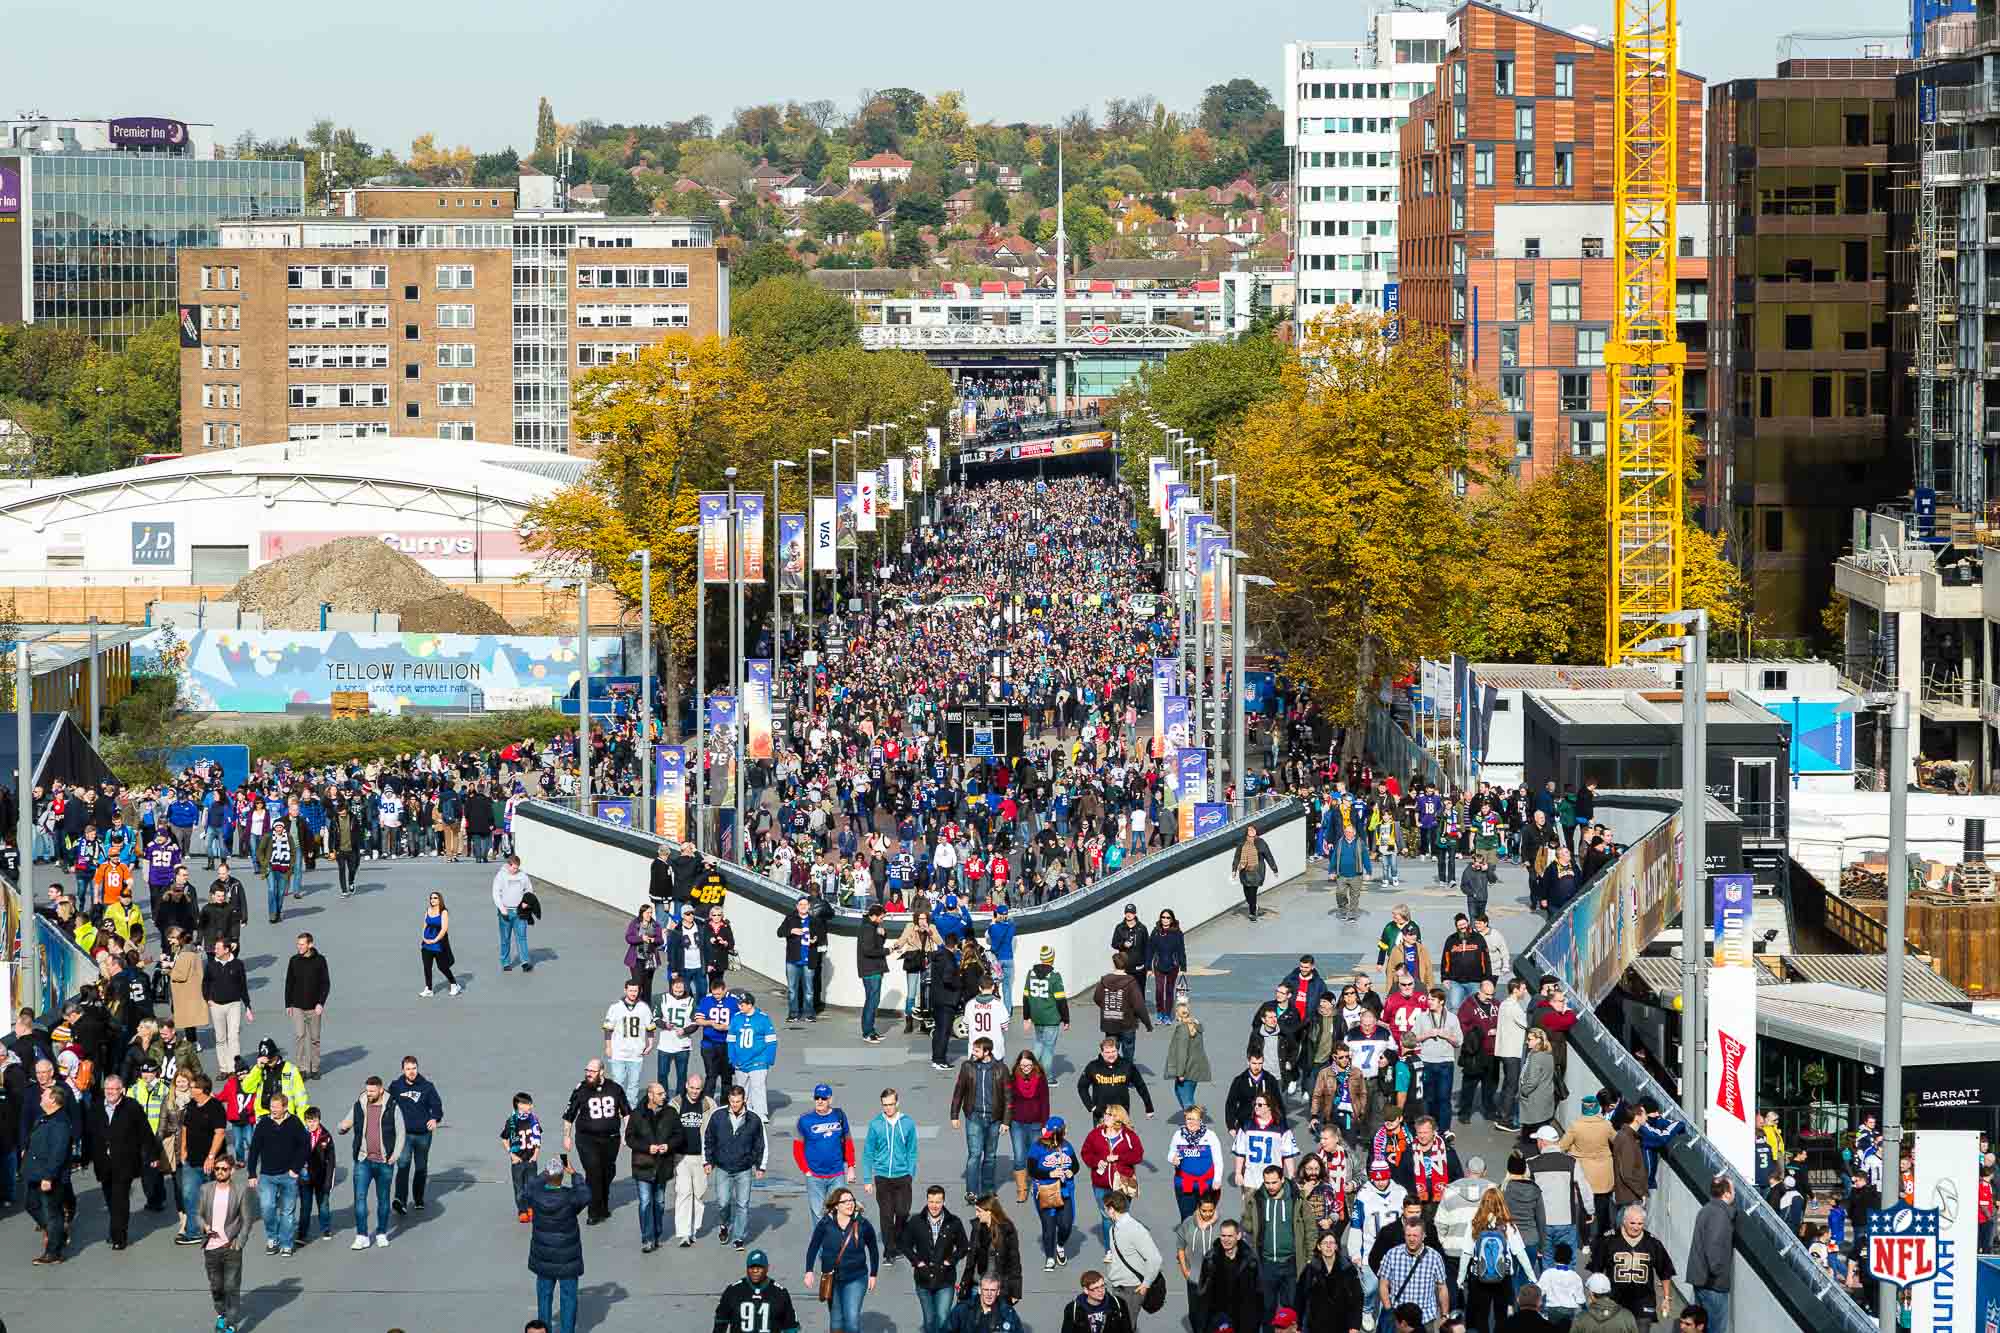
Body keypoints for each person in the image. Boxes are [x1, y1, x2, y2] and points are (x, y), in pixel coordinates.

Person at [91, 1071, 165, 1251]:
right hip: (103, 1163)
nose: (110, 1092)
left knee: (120, 1198)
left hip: (124, 1162)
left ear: (122, 1090)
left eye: (114, 1089)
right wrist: (86, 1156)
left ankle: (119, 1236)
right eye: (107, 1089)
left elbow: (145, 1133)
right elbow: (90, 1133)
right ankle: (115, 1227)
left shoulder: (132, 1107)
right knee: (110, 1198)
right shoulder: (96, 1107)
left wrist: (154, 1155)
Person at [520, 1156, 592, 1333]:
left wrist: (544, 1174)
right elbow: (585, 1194)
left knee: (544, 1297)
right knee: (569, 1298)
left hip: (543, 1256)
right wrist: (574, 1174)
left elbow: (525, 1190)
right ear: (561, 1177)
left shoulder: (536, 1196)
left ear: (547, 1175)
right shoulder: (570, 1197)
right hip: (568, 1257)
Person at [1458, 1187, 1539, 1333]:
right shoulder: (1507, 1226)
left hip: (1479, 1277)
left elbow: (1466, 1254)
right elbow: (1520, 1253)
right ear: (1502, 1203)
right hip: (1503, 1277)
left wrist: (1460, 1279)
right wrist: (1532, 1277)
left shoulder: (1475, 1224)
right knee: (1502, 1317)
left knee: (1481, 1316)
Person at [804, 1185, 881, 1333]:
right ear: (836, 1206)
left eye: (851, 1200)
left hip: (856, 1277)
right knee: (836, 1322)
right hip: (832, 1278)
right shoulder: (825, 1224)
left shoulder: (862, 1224)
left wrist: (873, 1274)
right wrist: (809, 1271)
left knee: (851, 1320)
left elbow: (873, 1249)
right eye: (845, 1201)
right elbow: (813, 1246)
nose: (849, 1204)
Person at [562, 1058, 631, 1225]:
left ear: (601, 1072)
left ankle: (603, 1206)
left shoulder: (615, 1089)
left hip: (611, 1139)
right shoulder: (581, 1089)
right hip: (587, 1139)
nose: (588, 1074)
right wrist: (567, 1136)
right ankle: (593, 1212)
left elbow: (626, 1113)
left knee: (607, 1173)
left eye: (592, 1071)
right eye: (587, 1071)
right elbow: (569, 1115)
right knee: (593, 1172)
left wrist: (626, 1132)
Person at [245, 1089, 310, 1257]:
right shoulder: (263, 1124)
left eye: (276, 1107)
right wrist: (252, 1173)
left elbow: (305, 1147)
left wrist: (296, 1169)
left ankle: (286, 1243)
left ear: (285, 1107)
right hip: (267, 1175)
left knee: (287, 1211)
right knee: (267, 1208)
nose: (272, 1110)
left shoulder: (295, 1123)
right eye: (271, 1107)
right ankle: (272, 1238)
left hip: (288, 1176)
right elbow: (254, 1150)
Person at [1589, 1205, 1675, 1330]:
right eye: (1632, 1223)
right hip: (1615, 1299)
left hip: (1643, 1300)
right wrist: (1593, 1295)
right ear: (1624, 1221)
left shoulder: (1652, 1243)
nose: (1636, 1227)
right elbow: (1597, 1269)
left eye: (1640, 1223)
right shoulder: (1609, 1239)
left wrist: (1666, 1298)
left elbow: (1665, 1271)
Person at [705, 1083, 769, 1249]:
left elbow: (761, 1143)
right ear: (728, 1100)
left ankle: (739, 1237)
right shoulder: (718, 1116)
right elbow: (709, 1139)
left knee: (743, 1204)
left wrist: (761, 1166)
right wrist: (708, 1161)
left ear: (744, 1100)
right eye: (732, 1101)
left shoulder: (754, 1119)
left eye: (738, 1101)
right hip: (723, 1168)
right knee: (723, 1202)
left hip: (744, 1169)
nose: (734, 1105)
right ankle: (724, 1225)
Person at [903, 1183, 972, 1333]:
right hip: (923, 1279)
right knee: (929, 1320)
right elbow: (905, 1245)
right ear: (927, 1201)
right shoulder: (916, 1222)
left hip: (945, 1279)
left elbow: (964, 1246)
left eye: (938, 1202)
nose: (934, 1206)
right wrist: (917, 1262)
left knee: (942, 1318)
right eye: (931, 1201)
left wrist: (950, 1261)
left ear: (944, 1202)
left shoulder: (954, 1222)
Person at [863, 1087, 921, 1263]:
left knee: (903, 1212)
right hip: (882, 1177)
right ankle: (889, 1251)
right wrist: (867, 1179)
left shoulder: (908, 1123)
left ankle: (897, 1240)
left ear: (897, 1103)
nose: (888, 1108)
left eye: (891, 1104)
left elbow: (912, 1151)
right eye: (884, 1105)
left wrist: (911, 1173)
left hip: (903, 1175)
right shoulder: (875, 1124)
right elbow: (868, 1153)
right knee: (886, 1215)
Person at [627, 1080, 685, 1252]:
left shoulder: (671, 1113)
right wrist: (647, 1148)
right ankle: (647, 1238)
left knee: (659, 1202)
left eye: (664, 1094)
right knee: (645, 1202)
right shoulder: (637, 1114)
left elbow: (679, 1135)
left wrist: (669, 1146)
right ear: (650, 1095)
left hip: (662, 1166)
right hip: (643, 1165)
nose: (664, 1096)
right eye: (660, 1094)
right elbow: (630, 1138)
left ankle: (657, 1234)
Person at [198, 1153, 253, 1330]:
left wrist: (240, 1243)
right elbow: (197, 1214)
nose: (220, 1172)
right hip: (211, 1248)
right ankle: (221, 1313)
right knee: (216, 1287)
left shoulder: (240, 1191)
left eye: (224, 1169)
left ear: (232, 1171)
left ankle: (231, 1324)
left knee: (231, 1287)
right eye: (217, 1169)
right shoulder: (206, 1189)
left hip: (231, 1247)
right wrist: (204, 1226)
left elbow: (247, 1219)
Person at [1243, 1163, 1303, 1325]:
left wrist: (1308, 1257)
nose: (1270, 1186)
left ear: (1282, 1180)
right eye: (1267, 1182)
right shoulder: (1257, 1198)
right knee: (1267, 1308)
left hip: (1291, 1262)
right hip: (1267, 1262)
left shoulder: (1296, 1197)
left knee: (1290, 1307)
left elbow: (1309, 1229)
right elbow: (1247, 1224)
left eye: (1274, 1182)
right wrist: (1249, 1214)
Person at [952, 1037, 1009, 1204]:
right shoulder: (967, 1067)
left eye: (976, 1050)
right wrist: (954, 1115)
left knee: (990, 1156)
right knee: (975, 1155)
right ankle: (971, 1191)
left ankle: (988, 1190)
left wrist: (1006, 1121)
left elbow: (1008, 1097)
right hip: (974, 1117)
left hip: (994, 1119)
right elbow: (958, 1091)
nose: (973, 1053)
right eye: (973, 1049)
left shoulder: (1001, 1069)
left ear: (987, 1052)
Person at [1080, 1106, 1146, 1249]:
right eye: (1105, 1114)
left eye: (1110, 1114)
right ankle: (1110, 1249)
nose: (1106, 1116)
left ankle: (1123, 1247)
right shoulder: (1095, 1134)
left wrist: (1118, 1157)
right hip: (1100, 1183)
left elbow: (1138, 1155)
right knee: (1106, 1216)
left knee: (1122, 1215)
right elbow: (1085, 1153)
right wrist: (1097, 1161)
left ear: (1118, 1118)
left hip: (1123, 1182)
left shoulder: (1129, 1135)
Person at [25, 1084, 75, 1264]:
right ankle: (58, 1234)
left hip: (49, 1176)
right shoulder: (44, 1118)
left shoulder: (60, 1123)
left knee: (52, 1212)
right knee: (31, 1204)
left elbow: (58, 1153)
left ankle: (53, 1252)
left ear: (53, 1099)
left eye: (44, 1095)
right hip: (35, 1172)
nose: (41, 1097)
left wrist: (48, 1177)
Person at [388, 1054, 444, 1216]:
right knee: (403, 1164)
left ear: (417, 1068)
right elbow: (388, 1105)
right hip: (403, 1135)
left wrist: (435, 1119)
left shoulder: (427, 1087)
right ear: (403, 1070)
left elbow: (437, 1105)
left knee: (420, 1167)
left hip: (423, 1135)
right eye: (408, 1069)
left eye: (414, 1068)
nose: (411, 1072)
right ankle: (400, 1200)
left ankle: (418, 1198)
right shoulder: (396, 1086)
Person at [1375, 1218, 1450, 1333]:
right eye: (1408, 1235)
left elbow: (1442, 1288)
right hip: (1399, 1321)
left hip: (1425, 1320)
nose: (1411, 1239)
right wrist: (1389, 1310)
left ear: (1423, 1235)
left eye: (1415, 1235)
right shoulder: (1392, 1254)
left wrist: (1444, 1315)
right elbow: (1383, 1285)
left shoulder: (1435, 1257)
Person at [795, 1083, 857, 1219]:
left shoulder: (839, 1116)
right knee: (818, 1214)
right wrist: (806, 1170)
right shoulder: (805, 1120)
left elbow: (848, 1142)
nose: (820, 1101)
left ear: (830, 1099)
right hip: (815, 1176)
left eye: (823, 1098)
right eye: (817, 1098)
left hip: (837, 1174)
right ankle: (821, 1240)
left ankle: (838, 1240)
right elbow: (797, 1148)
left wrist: (851, 1166)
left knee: (840, 1211)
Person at [668, 1072, 717, 1246]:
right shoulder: (675, 1104)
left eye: (698, 1088)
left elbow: (714, 1132)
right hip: (681, 1156)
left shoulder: (709, 1104)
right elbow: (668, 1128)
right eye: (692, 1088)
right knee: (683, 1192)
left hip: (701, 1157)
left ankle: (694, 1229)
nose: (695, 1091)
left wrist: (711, 1159)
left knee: (699, 1193)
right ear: (686, 1086)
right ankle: (683, 1233)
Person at [1028, 1116, 1081, 1270]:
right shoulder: (1037, 1147)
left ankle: (1060, 1245)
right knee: (1048, 1226)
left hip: (1065, 1191)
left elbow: (1076, 1165)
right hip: (1046, 1191)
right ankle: (1050, 1257)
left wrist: (1071, 1171)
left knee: (1066, 1224)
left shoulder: (1067, 1146)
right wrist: (1050, 1174)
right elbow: (1032, 1170)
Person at [1687, 1174, 1735, 1333]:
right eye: (1733, 1189)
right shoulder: (1720, 1214)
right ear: (1727, 1193)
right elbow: (1714, 1248)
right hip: (1713, 1284)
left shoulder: (1707, 1209)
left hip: (1702, 1280)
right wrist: (1718, 1273)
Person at [1100, 1188, 1162, 1309]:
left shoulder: (1135, 1229)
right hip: (1117, 1285)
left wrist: (1146, 1284)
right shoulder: (1113, 1228)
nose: (1105, 1211)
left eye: (1106, 1209)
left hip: (1132, 1289)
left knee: (1127, 1326)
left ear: (1112, 1210)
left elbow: (1155, 1259)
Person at [1295, 1227, 1364, 1333]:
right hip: (1315, 1326)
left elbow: (1357, 1297)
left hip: (1341, 1325)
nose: (1328, 1246)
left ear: (1336, 1246)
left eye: (1331, 1243)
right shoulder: (1310, 1269)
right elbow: (1300, 1298)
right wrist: (1298, 1326)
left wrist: (1355, 1325)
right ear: (1319, 1246)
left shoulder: (1347, 1268)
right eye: (1325, 1243)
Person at [718, 1248, 804, 1333]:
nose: (755, 1270)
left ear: (767, 1268)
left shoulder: (780, 1293)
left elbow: (790, 1327)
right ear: (747, 1268)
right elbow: (720, 1322)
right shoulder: (733, 1291)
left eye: (759, 1267)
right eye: (752, 1267)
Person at [282, 932, 330, 1083]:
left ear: (310, 944)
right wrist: (288, 1004)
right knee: (300, 1036)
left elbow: (325, 983)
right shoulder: (294, 960)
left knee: (315, 1038)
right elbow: (289, 982)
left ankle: (314, 1068)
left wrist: (321, 1003)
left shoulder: (320, 961)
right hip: (297, 1006)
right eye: (298, 944)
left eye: (302, 944)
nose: (299, 947)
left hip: (314, 1007)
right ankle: (302, 1068)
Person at [961, 1194, 1025, 1303]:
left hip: (999, 1288)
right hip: (978, 1285)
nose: (977, 1214)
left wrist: (1015, 1292)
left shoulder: (1007, 1231)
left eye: (979, 1211)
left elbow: (1014, 1262)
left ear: (989, 1211)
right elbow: (971, 1259)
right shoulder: (977, 1228)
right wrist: (964, 1285)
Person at [604, 979, 658, 1107]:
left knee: (634, 1084)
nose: (633, 993)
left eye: (636, 990)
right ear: (625, 990)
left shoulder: (644, 1008)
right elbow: (608, 1029)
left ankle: (630, 1109)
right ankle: (617, 1107)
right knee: (618, 1082)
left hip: (636, 1053)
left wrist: (650, 1044)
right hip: (618, 1052)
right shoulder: (615, 1007)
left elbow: (650, 1028)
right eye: (631, 990)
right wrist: (608, 1047)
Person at [1168, 1104, 1227, 1220]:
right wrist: (1172, 1159)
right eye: (1189, 1119)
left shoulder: (1210, 1136)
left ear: (1200, 1120)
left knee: (1206, 1217)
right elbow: (1170, 1153)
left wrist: (1217, 1179)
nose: (1191, 1122)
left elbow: (1218, 1159)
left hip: (1206, 1184)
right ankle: (1188, 1237)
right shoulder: (1178, 1135)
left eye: (1195, 1119)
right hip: (1184, 1184)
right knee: (1187, 1218)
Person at [729, 989, 780, 1121]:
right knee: (742, 1088)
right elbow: (731, 1040)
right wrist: (732, 1057)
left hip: (758, 1060)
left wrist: (769, 1059)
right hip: (741, 1061)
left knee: (758, 1087)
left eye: (742, 1004)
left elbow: (771, 1040)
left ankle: (760, 1113)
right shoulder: (736, 1018)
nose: (739, 1006)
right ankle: (744, 1111)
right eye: (739, 1004)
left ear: (750, 1005)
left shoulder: (763, 1019)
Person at [1077, 1036, 1157, 1119]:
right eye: (1107, 1052)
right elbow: (1082, 1086)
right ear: (1102, 1052)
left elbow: (1141, 1086)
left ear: (1117, 1051)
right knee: (1101, 1133)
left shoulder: (1127, 1065)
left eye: (1113, 1051)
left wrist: (1149, 1107)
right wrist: (1092, 1107)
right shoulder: (1093, 1066)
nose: (1111, 1055)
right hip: (1101, 1114)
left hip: (1122, 1113)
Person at [1022, 945, 1070, 1074]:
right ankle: (1047, 1078)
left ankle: (1028, 1071)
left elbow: (1025, 996)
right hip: (1051, 1017)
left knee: (1038, 1044)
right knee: (1048, 1049)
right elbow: (1061, 1000)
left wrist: (1026, 1017)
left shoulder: (1030, 973)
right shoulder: (1054, 976)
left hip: (1036, 1016)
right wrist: (1066, 1019)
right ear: (1052, 958)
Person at [503, 1091, 545, 1225]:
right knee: (519, 1188)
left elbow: (538, 1138)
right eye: (528, 1104)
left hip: (531, 1159)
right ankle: (522, 1210)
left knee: (531, 1186)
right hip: (518, 1161)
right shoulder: (511, 1122)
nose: (531, 1106)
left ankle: (531, 1207)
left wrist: (536, 1154)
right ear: (519, 1105)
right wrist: (512, 1154)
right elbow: (505, 1139)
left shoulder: (534, 1119)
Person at [1165, 999, 1213, 1113]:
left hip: (1186, 1070)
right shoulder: (1196, 1025)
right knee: (1186, 1095)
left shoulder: (1182, 1029)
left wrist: (1180, 1073)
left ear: (1177, 1013)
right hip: (1195, 1069)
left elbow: (1182, 1053)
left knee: (1186, 1100)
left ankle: (1193, 1121)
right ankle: (1192, 1118)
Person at [493, 853, 535, 972]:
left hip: (520, 912)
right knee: (505, 938)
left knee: (522, 937)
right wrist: (502, 909)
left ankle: (525, 962)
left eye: (517, 868)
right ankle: (506, 963)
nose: (515, 870)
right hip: (506, 911)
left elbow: (529, 890)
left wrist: (527, 902)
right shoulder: (500, 876)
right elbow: (496, 893)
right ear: (508, 865)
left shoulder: (523, 876)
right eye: (514, 868)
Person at [1061, 1269, 1138, 1333]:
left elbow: (1127, 1330)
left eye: (1102, 1286)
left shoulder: (1117, 1303)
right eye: (1096, 1288)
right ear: (1086, 1290)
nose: (1101, 1291)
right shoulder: (1073, 1309)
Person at [947, 1272, 1026, 1333]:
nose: (989, 1294)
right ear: (979, 1290)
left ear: (998, 1292)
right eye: (986, 1289)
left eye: (992, 1290)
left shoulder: (1007, 1313)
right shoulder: (963, 1309)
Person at [1239, 824, 1280, 920]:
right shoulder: (1243, 843)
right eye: (1249, 830)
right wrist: (1235, 868)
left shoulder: (1261, 843)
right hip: (1245, 871)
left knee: (1253, 891)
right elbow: (1238, 856)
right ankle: (1252, 905)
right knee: (1247, 892)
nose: (1251, 832)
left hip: (1257, 871)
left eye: (1253, 830)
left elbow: (1268, 856)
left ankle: (1252, 913)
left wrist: (1274, 869)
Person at [627, 902, 665, 1003]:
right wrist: (641, 938)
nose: (650, 915)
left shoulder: (655, 925)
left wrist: (653, 940)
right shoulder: (635, 923)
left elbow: (660, 940)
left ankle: (647, 1007)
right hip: (637, 959)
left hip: (649, 959)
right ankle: (636, 1004)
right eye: (647, 913)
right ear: (642, 913)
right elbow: (629, 938)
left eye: (651, 913)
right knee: (637, 983)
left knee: (647, 985)